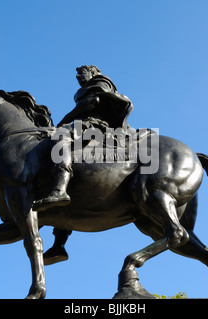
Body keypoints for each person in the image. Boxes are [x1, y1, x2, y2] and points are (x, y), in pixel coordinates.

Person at [34, 65, 134, 265]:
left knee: (60, 137)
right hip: (89, 127)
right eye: (77, 74)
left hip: (96, 127)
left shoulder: (99, 83)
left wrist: (63, 121)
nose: (79, 77)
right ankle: (59, 245)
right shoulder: (91, 87)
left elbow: (92, 102)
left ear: (93, 72)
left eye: (82, 73)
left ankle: (59, 189)